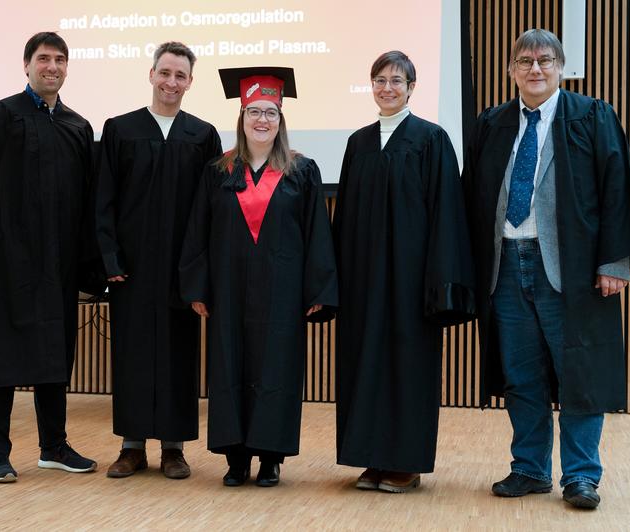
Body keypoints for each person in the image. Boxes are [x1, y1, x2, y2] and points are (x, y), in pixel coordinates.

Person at [462, 29, 630, 509]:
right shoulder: (492, 123)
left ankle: (581, 476)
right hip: (506, 265)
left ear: (561, 67)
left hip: (573, 271)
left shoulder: (591, 116)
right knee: (521, 375)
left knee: (579, 373)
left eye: (545, 60)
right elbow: (473, 198)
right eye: (524, 61)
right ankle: (529, 468)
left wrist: (614, 262)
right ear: (511, 70)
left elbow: (616, 189)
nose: (535, 69)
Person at [179, 66, 337, 487]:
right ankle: (235, 457)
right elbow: (198, 231)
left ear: (281, 120)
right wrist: (198, 286)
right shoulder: (218, 171)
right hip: (229, 289)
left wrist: (317, 288)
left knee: (277, 368)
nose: (262, 121)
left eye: (270, 112)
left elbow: (316, 234)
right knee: (229, 364)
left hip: (281, 291)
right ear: (242, 119)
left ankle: (270, 457)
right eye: (254, 112)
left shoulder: (302, 171)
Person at [332, 51, 475, 493]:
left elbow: (447, 215)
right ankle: (370, 458)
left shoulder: (432, 139)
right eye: (380, 80)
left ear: (412, 87)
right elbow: (345, 219)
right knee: (364, 363)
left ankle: (405, 463)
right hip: (364, 279)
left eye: (397, 80)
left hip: (412, 280)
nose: (388, 87)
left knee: (407, 365)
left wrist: (441, 281)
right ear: (370, 85)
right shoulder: (358, 143)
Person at [0, 32, 98, 483]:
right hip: (12, 258)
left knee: (56, 352)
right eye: (43, 59)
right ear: (26, 64)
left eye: (60, 59)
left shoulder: (78, 127)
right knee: (3, 353)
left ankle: (53, 446)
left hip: (58, 260)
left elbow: (88, 198)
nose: (52, 66)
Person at [95, 42, 222, 480]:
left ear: (190, 82)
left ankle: (174, 447)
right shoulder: (119, 129)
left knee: (179, 354)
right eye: (165, 72)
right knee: (130, 352)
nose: (171, 82)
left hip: (181, 268)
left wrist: (201, 271)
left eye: (180, 75)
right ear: (151, 75)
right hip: (130, 266)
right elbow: (103, 201)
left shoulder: (202, 135)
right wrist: (109, 257)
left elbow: (211, 210)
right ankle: (131, 447)